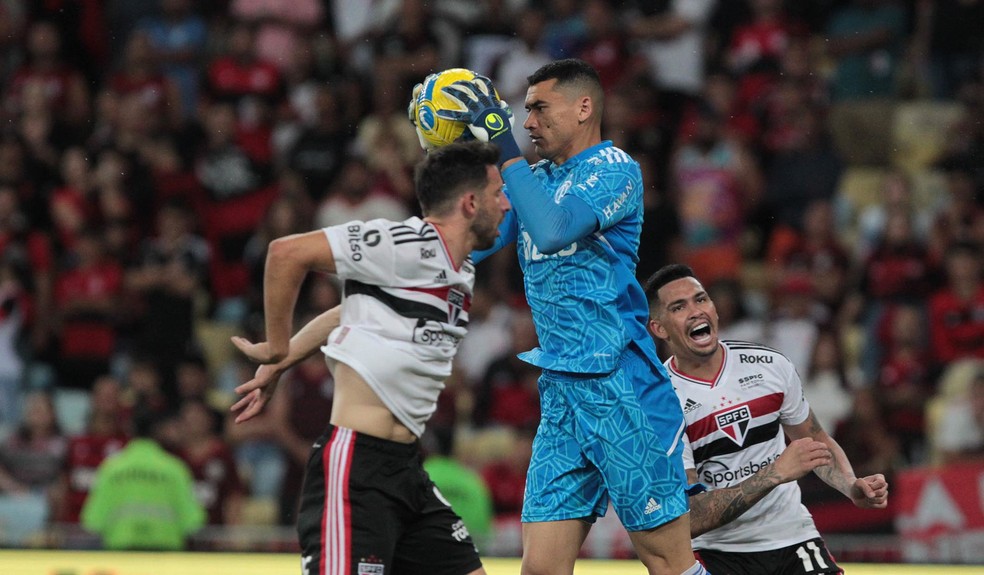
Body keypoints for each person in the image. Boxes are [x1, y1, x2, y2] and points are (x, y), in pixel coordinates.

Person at [432, 59, 702, 575]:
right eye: (523, 112)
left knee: (671, 566)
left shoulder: (615, 168)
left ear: (583, 108)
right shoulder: (533, 179)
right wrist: (452, 172)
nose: (527, 122)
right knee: (540, 570)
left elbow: (555, 228)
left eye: (537, 108)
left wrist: (502, 144)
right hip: (562, 393)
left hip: (621, 388)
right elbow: (466, 247)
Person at [229, 141, 509, 575]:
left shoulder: (462, 271)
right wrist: (278, 346)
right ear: (471, 203)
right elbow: (287, 253)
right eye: (498, 193)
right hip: (356, 469)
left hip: (407, 471)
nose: (507, 205)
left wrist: (281, 364)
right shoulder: (407, 242)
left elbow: (349, 311)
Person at [644, 263, 889, 575]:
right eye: (679, 307)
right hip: (717, 552)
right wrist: (775, 473)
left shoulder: (770, 366)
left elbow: (814, 440)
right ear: (659, 328)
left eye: (701, 299)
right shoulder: (661, 404)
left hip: (794, 537)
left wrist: (851, 485)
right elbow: (690, 517)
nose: (696, 311)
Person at [81, 410, 205, 550]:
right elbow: (193, 521)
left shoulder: (112, 468)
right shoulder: (174, 469)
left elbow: (93, 521)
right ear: (158, 431)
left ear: (131, 429)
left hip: (121, 556)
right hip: (165, 558)